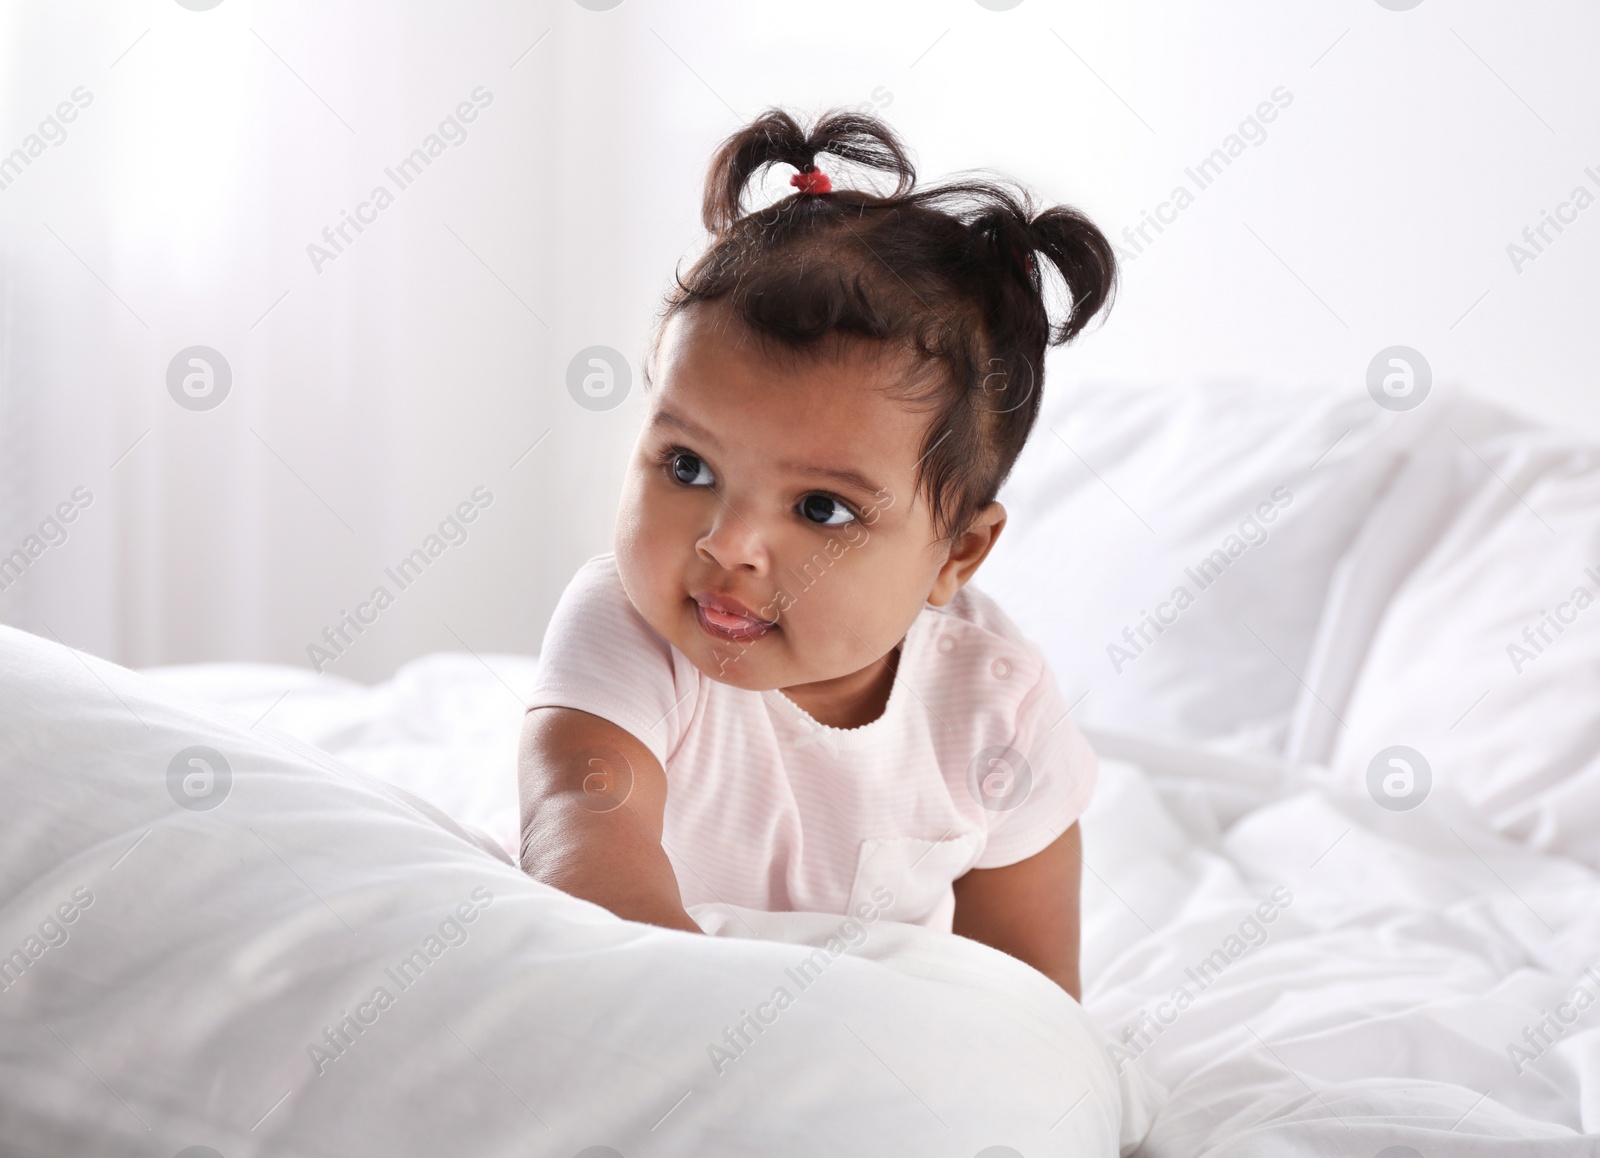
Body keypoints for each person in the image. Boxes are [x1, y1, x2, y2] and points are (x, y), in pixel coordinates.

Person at [518, 106, 1116, 1000]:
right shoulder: (628, 629)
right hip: (653, 1009)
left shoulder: (999, 708)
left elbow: (1029, 999)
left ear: (958, 555)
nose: (727, 545)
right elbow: (583, 844)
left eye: (822, 508)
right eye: (688, 465)